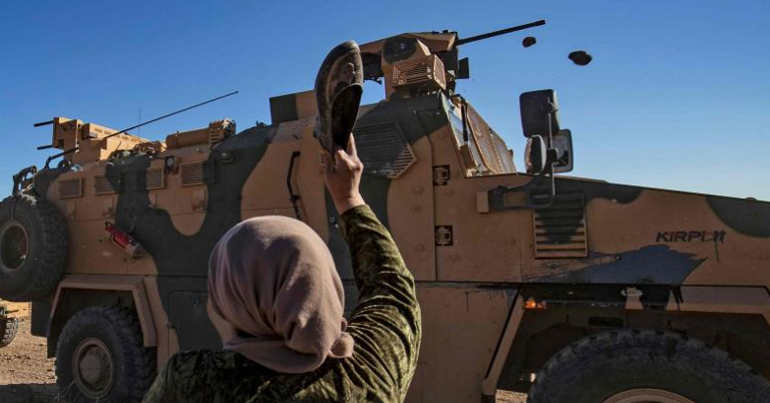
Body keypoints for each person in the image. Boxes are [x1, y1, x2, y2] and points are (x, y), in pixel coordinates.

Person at [142, 135, 421, 402]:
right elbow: (393, 288)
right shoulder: (372, 371)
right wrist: (349, 198)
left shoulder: (189, 382)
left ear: (227, 299)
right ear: (324, 281)